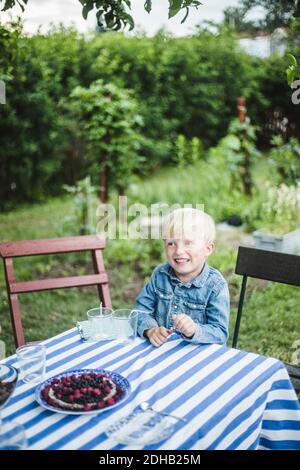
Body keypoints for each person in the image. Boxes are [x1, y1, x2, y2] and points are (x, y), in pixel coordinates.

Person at [135, 208, 230, 347]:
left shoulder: (215, 286)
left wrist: (194, 330)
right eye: (171, 243)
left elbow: (220, 333)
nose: (179, 251)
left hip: (197, 358)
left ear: (208, 249)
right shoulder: (160, 275)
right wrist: (151, 330)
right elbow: (140, 311)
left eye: (188, 243)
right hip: (160, 353)